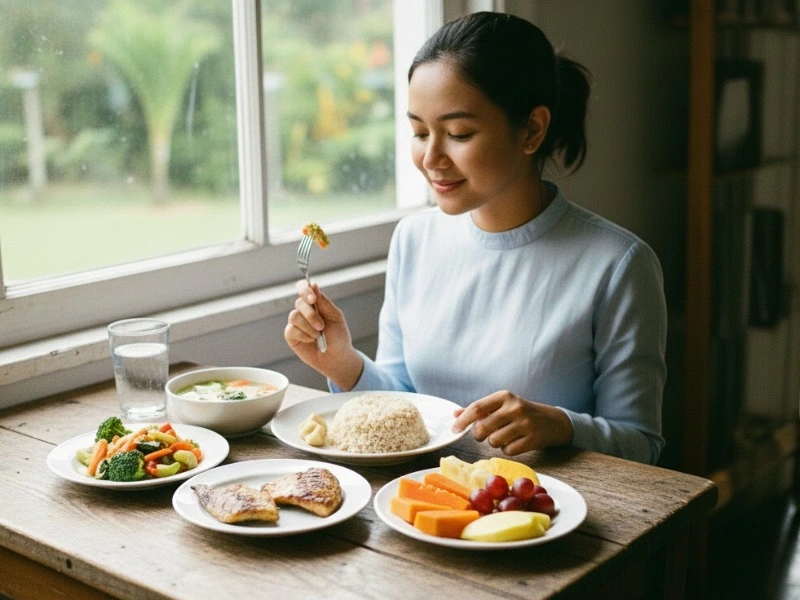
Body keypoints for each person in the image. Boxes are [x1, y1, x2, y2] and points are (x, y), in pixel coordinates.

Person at [284, 11, 666, 465]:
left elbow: (643, 445)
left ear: (532, 130)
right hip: (422, 506)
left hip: (544, 516)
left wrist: (561, 427)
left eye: (459, 133)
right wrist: (342, 363)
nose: (430, 158)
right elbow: (408, 406)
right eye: (419, 132)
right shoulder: (414, 239)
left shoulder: (617, 264)